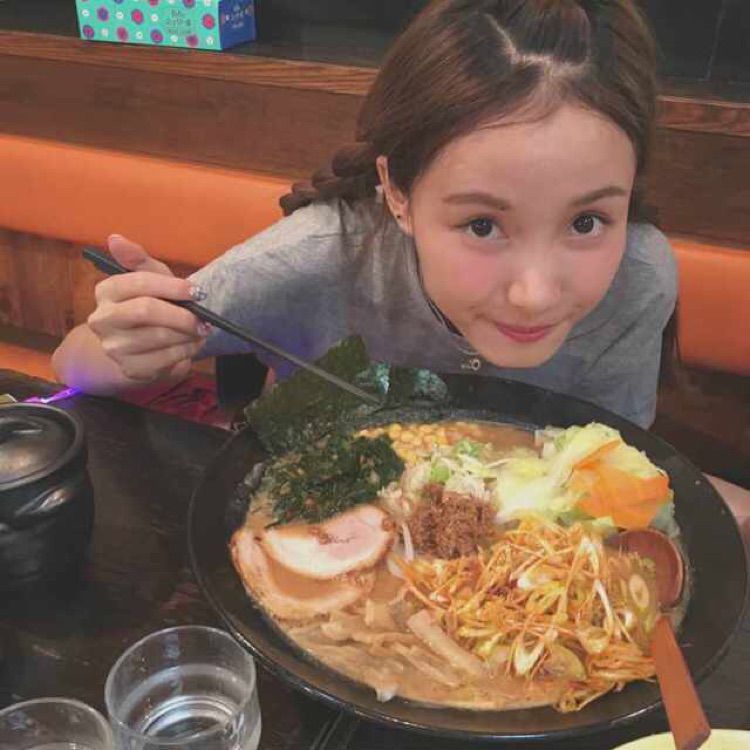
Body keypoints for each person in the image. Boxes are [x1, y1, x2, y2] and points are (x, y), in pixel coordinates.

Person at [52, 0, 748, 533]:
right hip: (319, 527)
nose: (535, 295)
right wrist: (133, 346)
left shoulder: (639, 277)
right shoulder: (319, 257)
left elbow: (615, 469)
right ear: (397, 193)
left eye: (587, 222)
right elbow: (71, 364)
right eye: (482, 225)